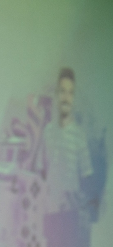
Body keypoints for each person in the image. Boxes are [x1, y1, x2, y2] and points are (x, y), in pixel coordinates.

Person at [41, 67, 94, 214]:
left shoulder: (80, 135)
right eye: (62, 91)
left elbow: (87, 177)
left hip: (70, 213)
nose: (66, 97)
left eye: (71, 93)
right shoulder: (47, 131)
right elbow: (42, 172)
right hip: (47, 210)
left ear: (74, 98)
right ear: (56, 94)